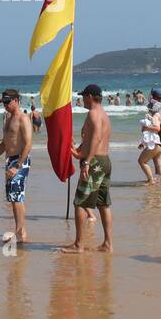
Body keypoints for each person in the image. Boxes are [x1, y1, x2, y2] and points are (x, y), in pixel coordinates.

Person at [63, 84, 113, 253]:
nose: (82, 99)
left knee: (80, 203)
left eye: (84, 96)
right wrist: (77, 153)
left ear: (90, 96)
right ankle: (107, 244)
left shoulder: (93, 114)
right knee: (103, 203)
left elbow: (97, 138)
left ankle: (79, 245)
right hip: (104, 161)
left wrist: (86, 162)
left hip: (94, 164)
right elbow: (91, 140)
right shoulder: (104, 115)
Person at [0, 88, 32, 243]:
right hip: (10, 161)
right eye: (4, 103)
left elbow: (29, 143)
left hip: (20, 160)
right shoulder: (8, 118)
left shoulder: (23, 118)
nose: (5, 105)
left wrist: (18, 165)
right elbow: (4, 144)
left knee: (16, 197)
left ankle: (19, 233)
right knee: (14, 198)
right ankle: (21, 232)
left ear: (16, 100)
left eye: (8, 102)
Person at [137, 100, 161, 185]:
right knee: (160, 165)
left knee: (142, 161)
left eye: (149, 107)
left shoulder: (155, 116)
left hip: (157, 143)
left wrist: (146, 128)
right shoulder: (159, 116)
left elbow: (157, 128)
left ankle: (150, 180)